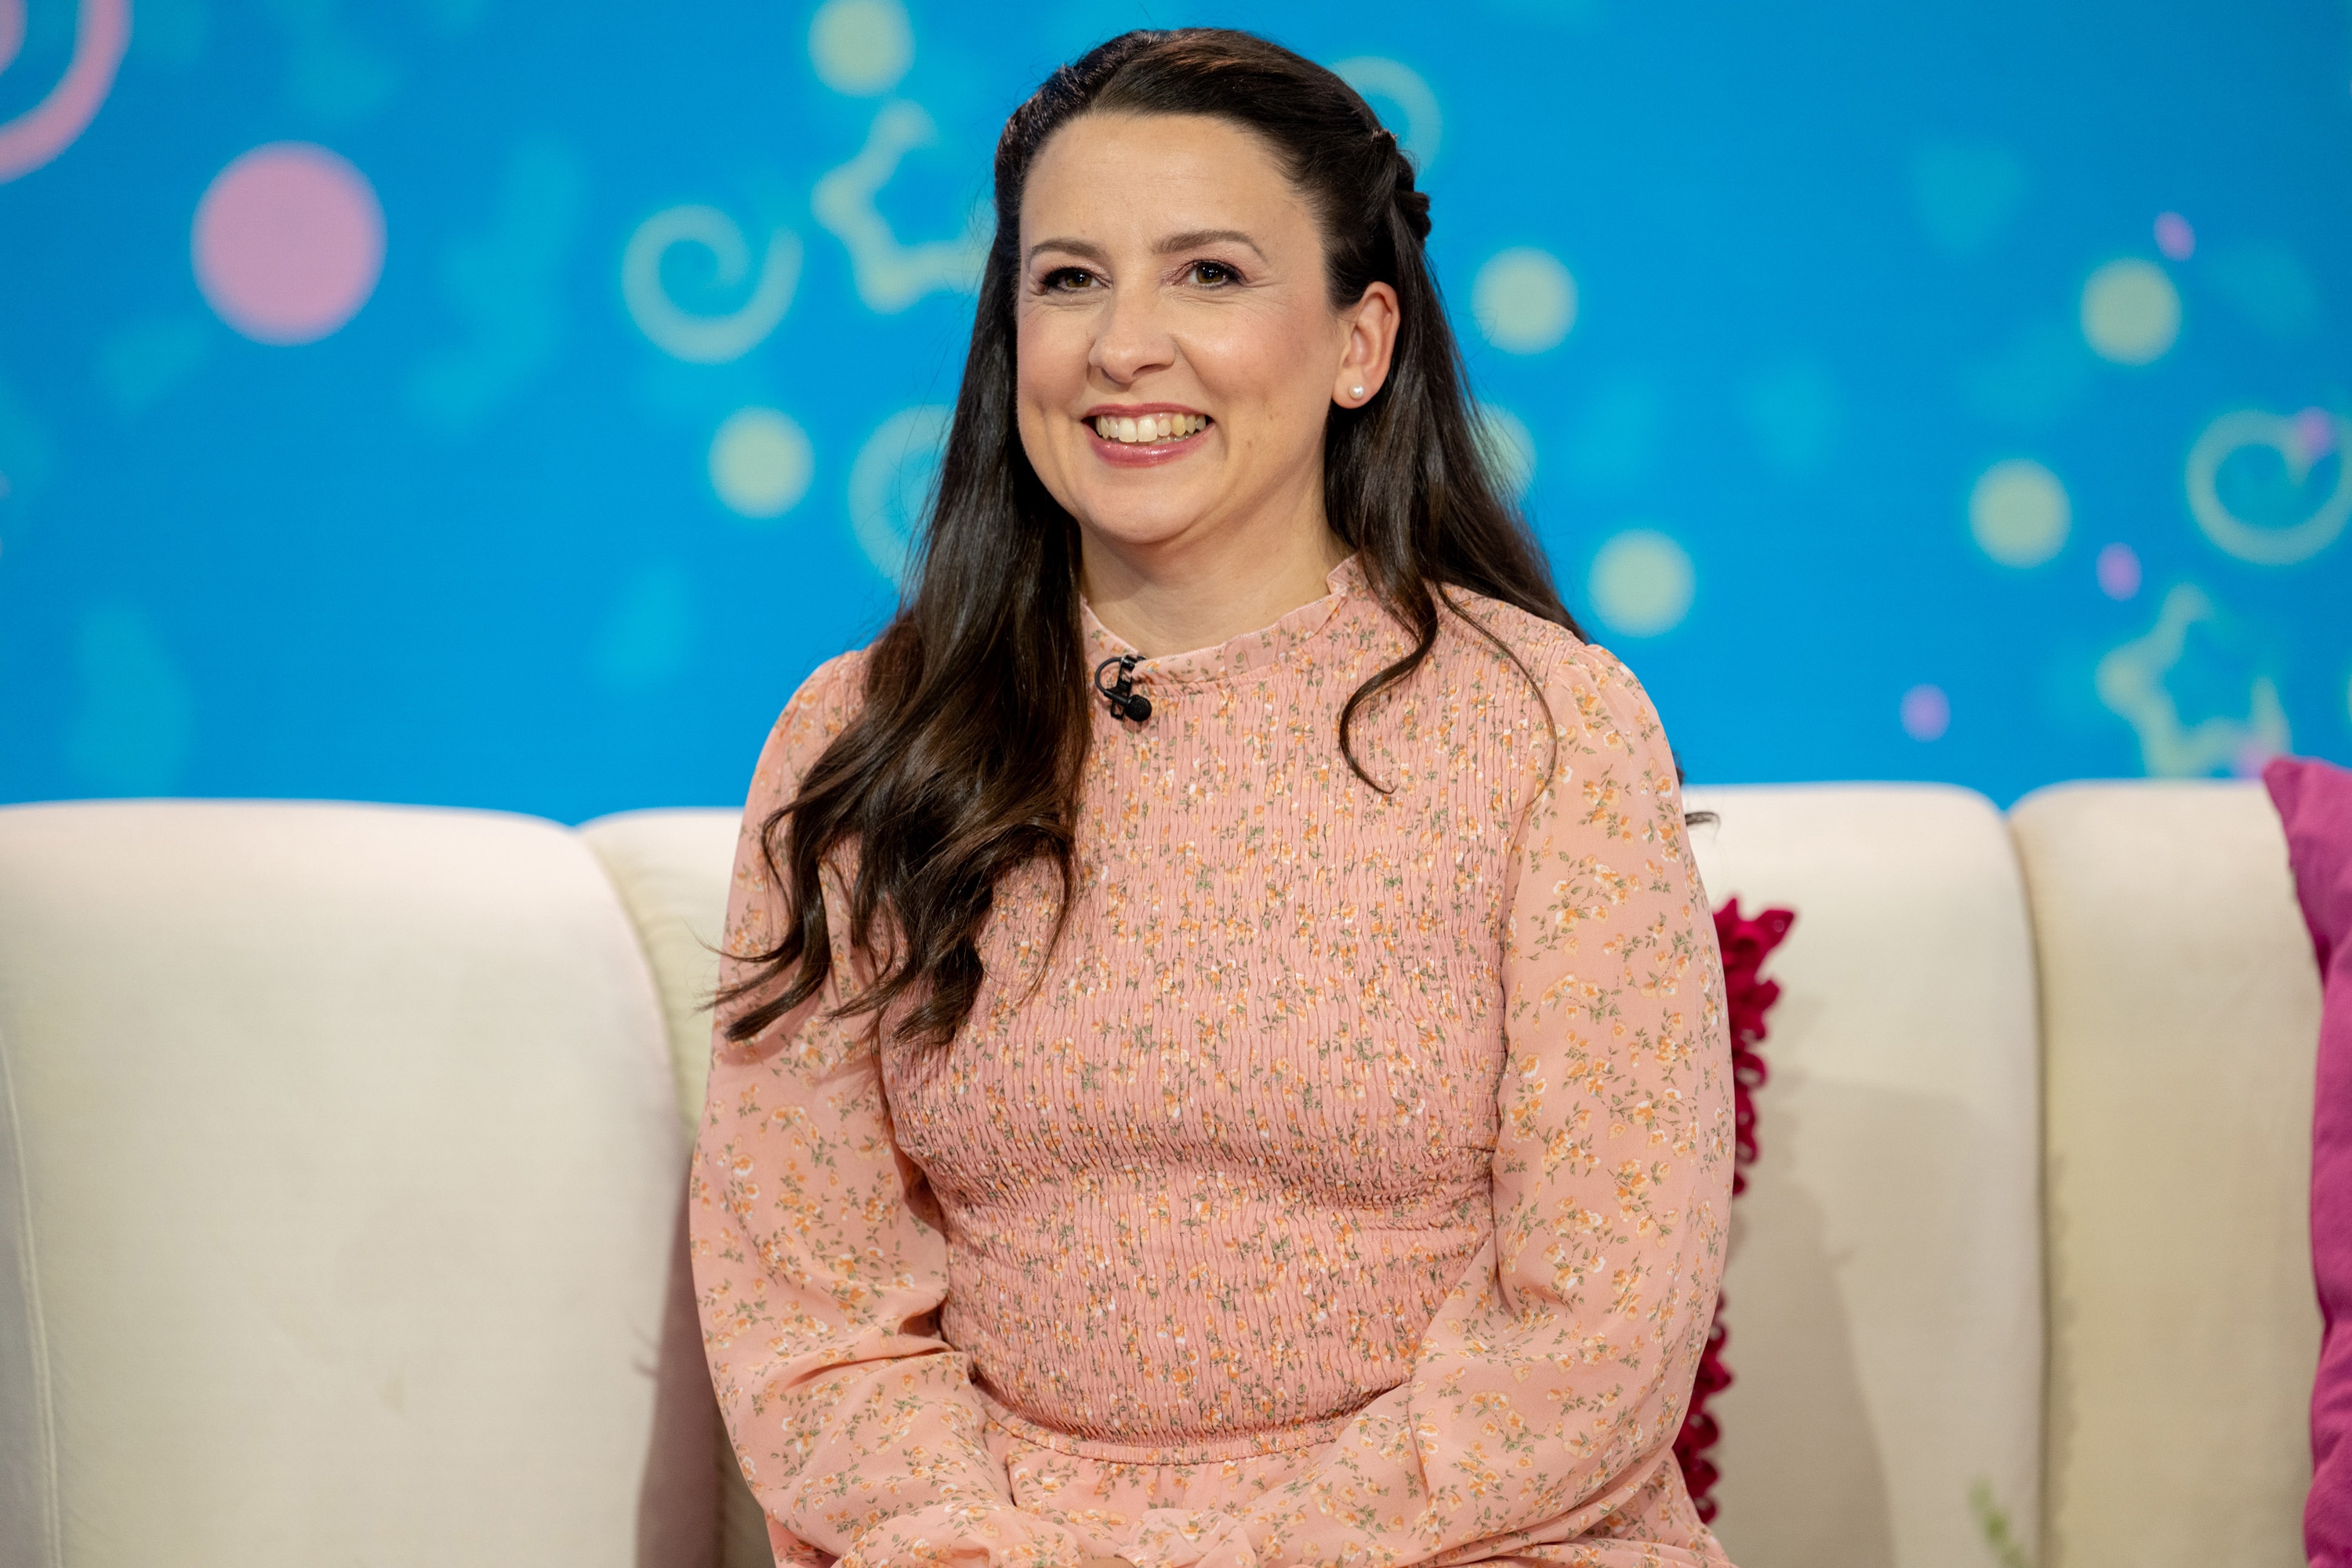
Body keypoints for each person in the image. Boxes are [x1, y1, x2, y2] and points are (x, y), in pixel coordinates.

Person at [693, 27, 1734, 1568]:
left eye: (1210, 275)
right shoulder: (867, 735)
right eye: (1067, 280)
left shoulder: (1549, 726)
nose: (1125, 343)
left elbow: (1601, 1328)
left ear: (1360, 341)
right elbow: (810, 1306)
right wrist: (976, 1541)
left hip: (1476, 1539)